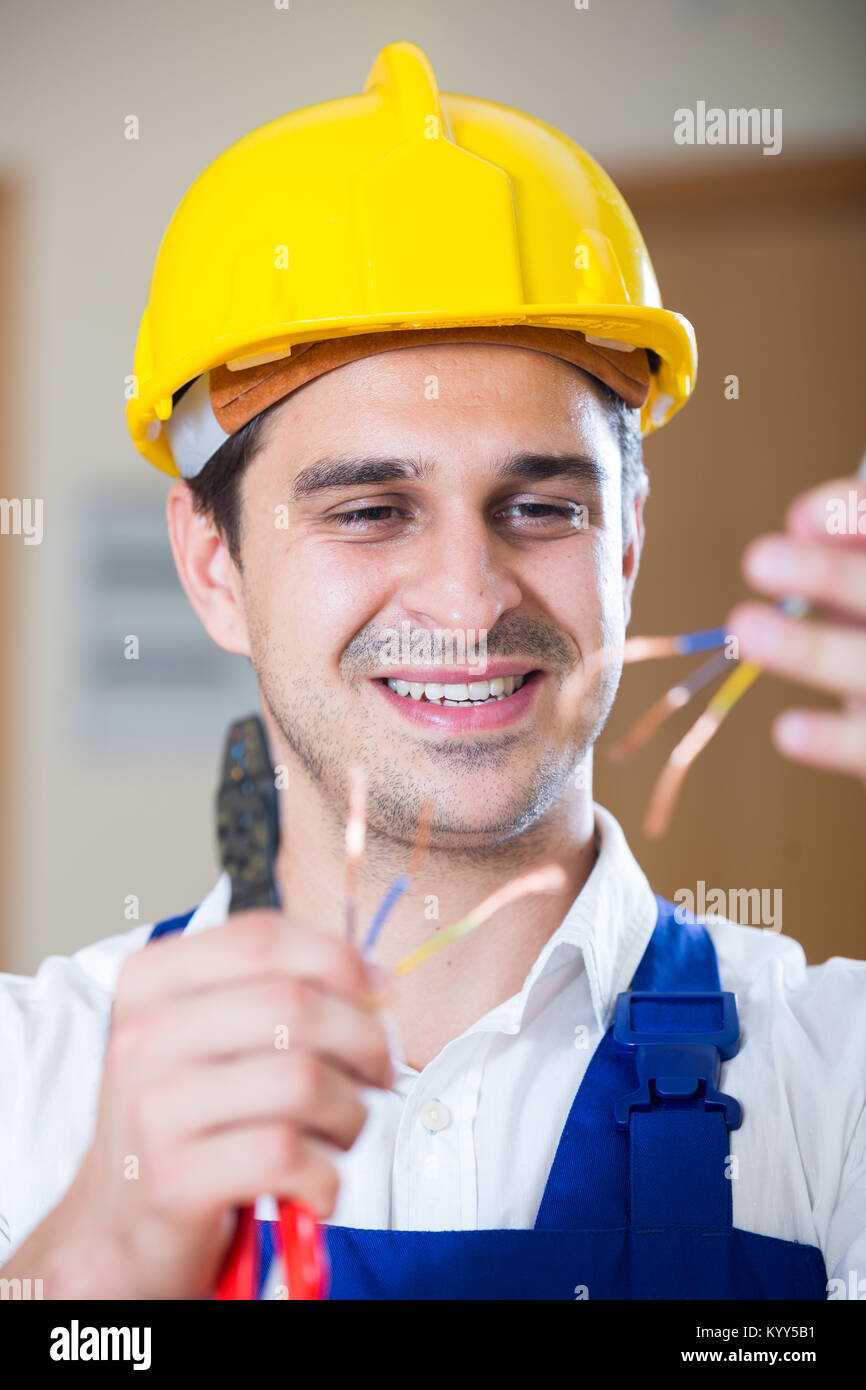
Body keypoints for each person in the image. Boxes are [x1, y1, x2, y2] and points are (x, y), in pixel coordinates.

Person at [1, 42, 863, 1301]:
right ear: (213, 566)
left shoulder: (832, 1078)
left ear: (624, 540)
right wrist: (98, 1274)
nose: (468, 597)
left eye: (540, 506)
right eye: (368, 511)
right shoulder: (31, 1086)